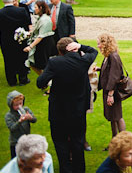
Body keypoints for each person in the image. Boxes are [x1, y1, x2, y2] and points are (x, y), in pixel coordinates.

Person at [37, 37, 98, 173]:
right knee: (78, 142)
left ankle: (66, 169)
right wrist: (80, 46)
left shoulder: (54, 62)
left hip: (58, 111)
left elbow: (40, 82)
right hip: (77, 111)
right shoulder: (83, 61)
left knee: (60, 143)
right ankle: (79, 170)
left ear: (60, 51)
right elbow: (93, 51)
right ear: (73, 48)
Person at [97, 33, 126, 139]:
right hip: (109, 91)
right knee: (112, 117)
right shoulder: (109, 56)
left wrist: (110, 94)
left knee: (117, 116)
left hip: (112, 92)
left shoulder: (113, 56)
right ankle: (115, 141)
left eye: (99, 43)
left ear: (105, 44)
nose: (98, 46)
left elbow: (114, 76)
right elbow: (111, 71)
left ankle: (124, 141)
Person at [0, 0, 31, 86]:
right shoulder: (21, 11)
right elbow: (27, 23)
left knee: (8, 61)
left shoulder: (0, 13)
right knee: (21, 59)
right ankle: (23, 79)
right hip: (20, 40)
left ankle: (11, 80)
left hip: (5, 41)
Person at [23, 1, 54, 77]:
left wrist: (30, 47)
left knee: (41, 65)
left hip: (44, 45)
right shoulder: (42, 18)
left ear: (40, 8)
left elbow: (41, 36)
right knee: (34, 64)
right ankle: (45, 81)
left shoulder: (45, 20)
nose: (34, 9)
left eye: (35, 7)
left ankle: (47, 81)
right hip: (41, 44)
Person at [5, 91, 37, 158]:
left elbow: (35, 120)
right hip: (15, 142)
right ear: (11, 105)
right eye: (16, 105)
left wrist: (30, 118)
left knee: (27, 158)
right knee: (16, 160)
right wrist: (19, 121)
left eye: (20, 103)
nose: (19, 106)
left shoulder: (25, 109)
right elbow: (12, 128)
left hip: (26, 139)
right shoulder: (9, 115)